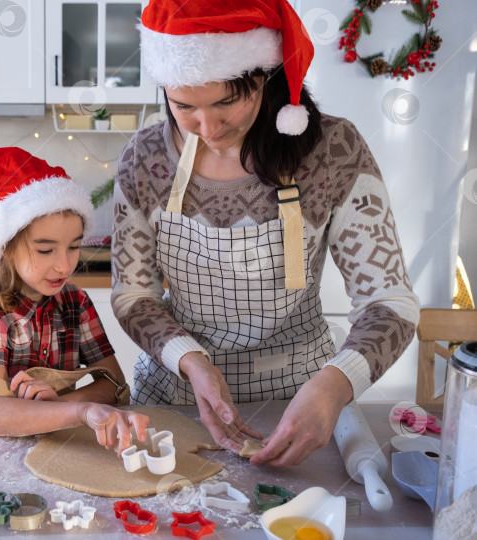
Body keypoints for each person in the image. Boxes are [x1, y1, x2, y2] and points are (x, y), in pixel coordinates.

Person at [111, 0, 420, 467]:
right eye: (184, 106)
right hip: (175, 398)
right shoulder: (145, 157)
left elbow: (389, 304)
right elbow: (133, 295)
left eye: (226, 101)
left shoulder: (332, 150)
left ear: (266, 77)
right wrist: (192, 362)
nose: (208, 127)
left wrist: (335, 385)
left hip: (301, 402)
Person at [0, 147, 148, 454]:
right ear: (5, 247)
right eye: (45, 250)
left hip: (62, 444)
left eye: (74, 247)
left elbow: (113, 384)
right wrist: (81, 410)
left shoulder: (75, 302)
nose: (64, 265)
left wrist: (61, 404)